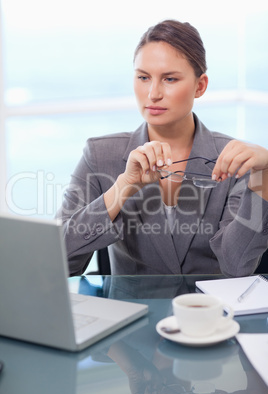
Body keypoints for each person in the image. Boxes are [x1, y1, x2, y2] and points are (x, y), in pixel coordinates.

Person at [56, 19, 268, 276]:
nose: (153, 93)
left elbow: (236, 267)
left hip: (208, 313)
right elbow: (59, 261)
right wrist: (123, 187)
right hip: (135, 312)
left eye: (169, 78)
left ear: (200, 86)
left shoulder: (236, 161)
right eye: (143, 77)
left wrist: (264, 176)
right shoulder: (100, 155)